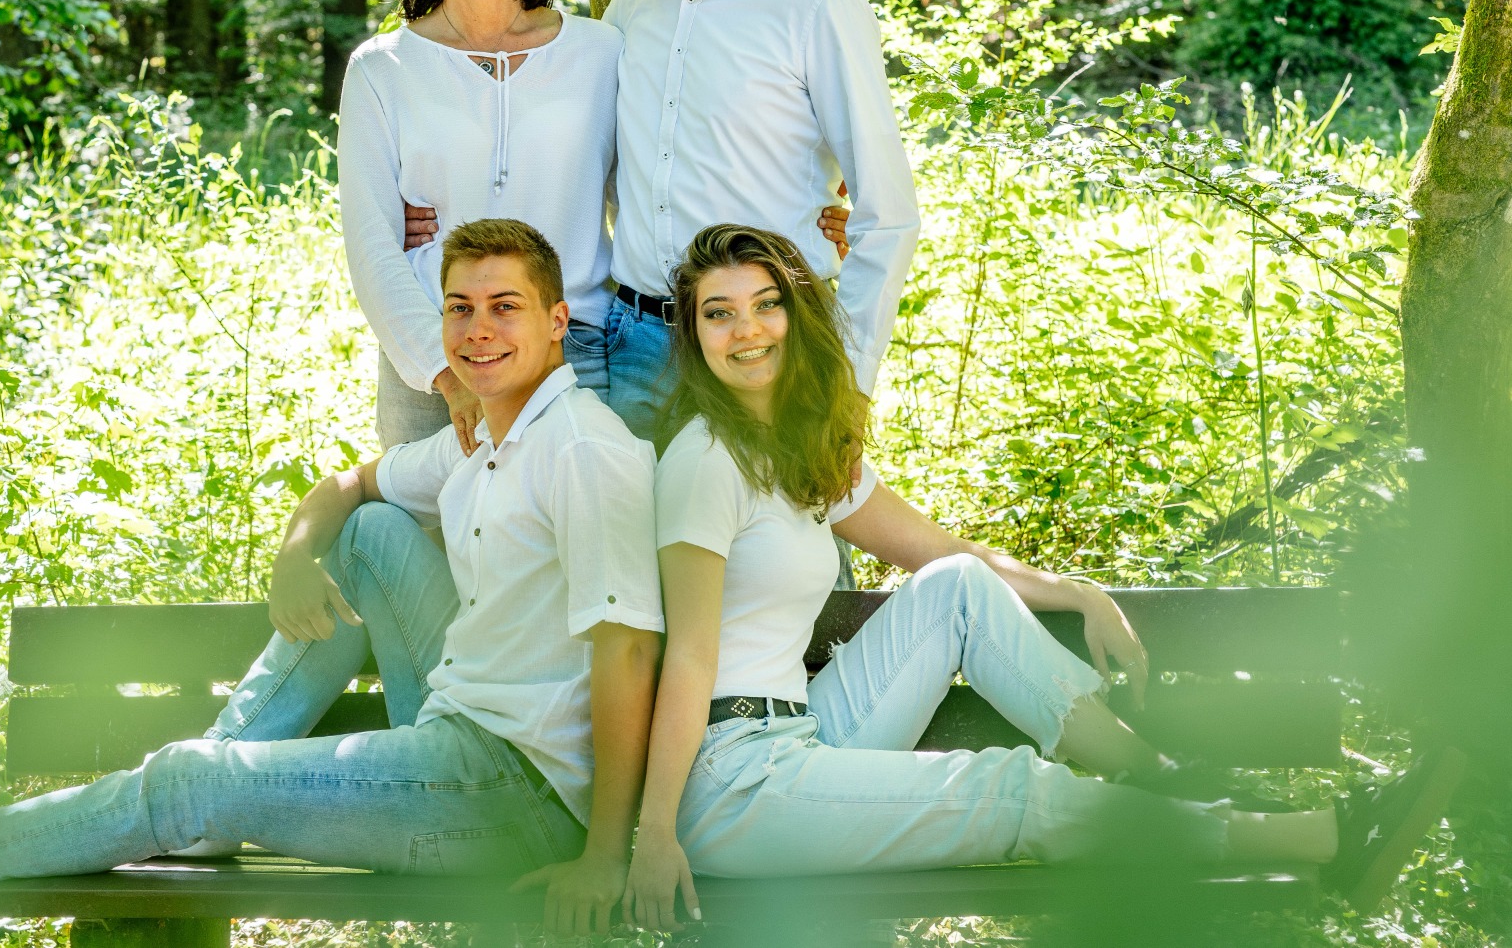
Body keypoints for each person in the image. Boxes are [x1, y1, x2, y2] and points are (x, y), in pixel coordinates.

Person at [0, 220, 665, 940]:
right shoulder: (485, 439)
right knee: (371, 532)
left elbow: (629, 652)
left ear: (556, 323)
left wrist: (603, 856)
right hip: (457, 731)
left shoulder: (583, 452)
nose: (477, 329)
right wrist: (295, 556)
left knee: (188, 779)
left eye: (505, 307)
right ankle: (209, 793)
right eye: (460, 307)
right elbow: (348, 487)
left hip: (513, 797)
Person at [619, 223, 1466, 930]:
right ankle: (1314, 838)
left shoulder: (800, 454)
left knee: (956, 586)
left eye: (765, 303)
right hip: (732, 783)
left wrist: (1078, 593)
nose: (747, 329)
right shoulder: (704, 463)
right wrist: (654, 834)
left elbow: (940, 551)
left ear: (796, 315)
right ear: (694, 335)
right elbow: (686, 654)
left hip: (802, 735)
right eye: (718, 313)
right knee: (1007, 788)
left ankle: (1165, 777)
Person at [600, 0, 920, 440]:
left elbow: (887, 213)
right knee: (633, 516)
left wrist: (850, 380)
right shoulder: (630, 6)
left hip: (770, 349)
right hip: (636, 350)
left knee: (786, 515)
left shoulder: (813, 2)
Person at [340, 0, 620, 453]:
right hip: (436, 356)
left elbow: (652, 197)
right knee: (417, 516)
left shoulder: (601, 53)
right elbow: (372, 243)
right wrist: (444, 376)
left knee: (582, 515)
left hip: (572, 348)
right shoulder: (383, 69)